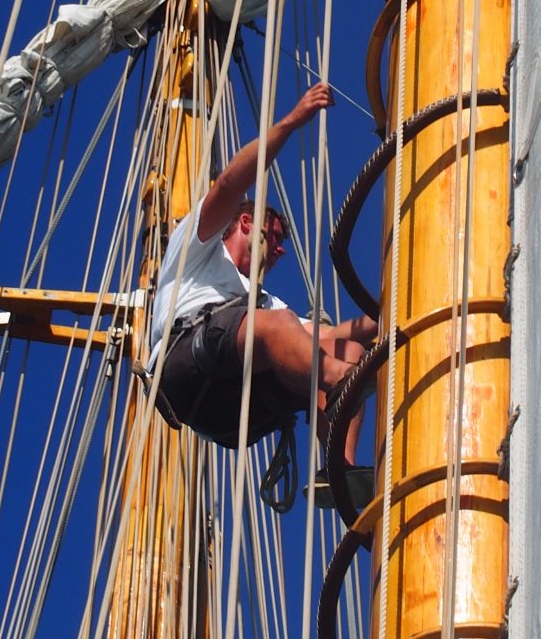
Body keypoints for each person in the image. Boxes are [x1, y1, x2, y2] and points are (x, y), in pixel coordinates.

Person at [146, 82, 377, 507]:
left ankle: (338, 470)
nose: (281, 249)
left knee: (345, 351)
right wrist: (292, 122)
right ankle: (342, 384)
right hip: (185, 364)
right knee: (288, 335)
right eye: (274, 236)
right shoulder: (198, 248)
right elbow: (232, 182)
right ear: (247, 223)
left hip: (234, 407)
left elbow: (336, 333)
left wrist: (387, 317)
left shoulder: (268, 305)